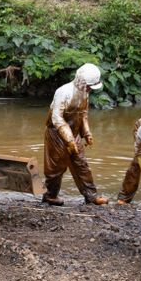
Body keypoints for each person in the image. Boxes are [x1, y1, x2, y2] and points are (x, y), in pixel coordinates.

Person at [42, 63, 108, 206]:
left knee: (82, 164)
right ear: (82, 81)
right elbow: (57, 118)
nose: (90, 89)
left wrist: (86, 133)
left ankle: (91, 196)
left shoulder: (85, 92)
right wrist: (68, 139)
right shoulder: (63, 91)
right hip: (56, 134)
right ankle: (50, 196)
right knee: (56, 168)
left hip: (75, 133)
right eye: (89, 86)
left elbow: (83, 114)